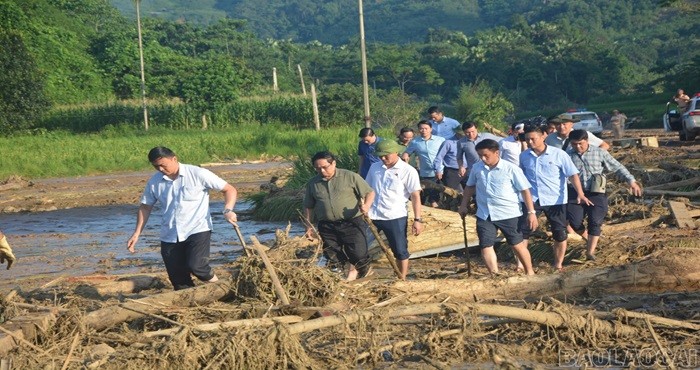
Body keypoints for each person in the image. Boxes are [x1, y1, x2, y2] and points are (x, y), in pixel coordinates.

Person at [127, 147, 238, 290]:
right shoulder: (154, 182)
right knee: (178, 278)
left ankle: (225, 289)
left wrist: (228, 210)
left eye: (163, 165)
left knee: (197, 266)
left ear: (174, 159)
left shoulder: (198, 173)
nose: (160, 169)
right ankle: (189, 304)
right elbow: (145, 207)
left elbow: (229, 189)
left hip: (197, 228)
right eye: (156, 166)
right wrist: (136, 234)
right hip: (170, 234)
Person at [458, 139, 538, 276]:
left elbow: (525, 190)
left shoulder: (511, 168)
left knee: (516, 244)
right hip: (485, 213)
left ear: (497, 153)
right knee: (486, 244)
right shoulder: (477, 168)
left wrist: (531, 212)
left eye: (486, 155)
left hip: (508, 213)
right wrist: (463, 205)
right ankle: (494, 275)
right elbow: (470, 187)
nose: (483, 159)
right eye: (480, 156)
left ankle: (529, 272)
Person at [519, 126, 591, 272]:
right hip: (532, 198)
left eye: (533, 138)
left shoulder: (559, 154)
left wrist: (580, 193)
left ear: (543, 137)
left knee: (559, 232)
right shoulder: (524, 156)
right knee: (523, 230)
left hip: (555, 200)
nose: (530, 142)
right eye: (527, 139)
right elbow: (521, 177)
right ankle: (520, 264)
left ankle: (558, 264)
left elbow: (572, 174)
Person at [567, 130, 642, 260]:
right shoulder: (567, 156)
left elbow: (618, 167)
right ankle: (589, 239)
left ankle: (590, 252)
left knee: (595, 221)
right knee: (575, 222)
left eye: (580, 144)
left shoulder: (599, 152)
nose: (578, 147)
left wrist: (632, 181)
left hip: (596, 191)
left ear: (587, 141)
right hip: (575, 192)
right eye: (574, 144)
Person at [304, 151, 375, 281]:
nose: (322, 170)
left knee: (358, 255)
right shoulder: (313, 183)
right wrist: (308, 226)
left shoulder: (350, 177)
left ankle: (363, 274)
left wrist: (367, 206)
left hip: (352, 223)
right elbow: (308, 205)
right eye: (318, 168)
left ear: (334, 163)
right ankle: (339, 280)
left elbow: (369, 192)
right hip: (327, 225)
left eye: (325, 167)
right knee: (332, 256)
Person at [366, 140, 423, 280]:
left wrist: (417, 219)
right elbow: (367, 189)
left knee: (400, 250)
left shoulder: (408, 171)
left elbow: (415, 196)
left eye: (386, 156)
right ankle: (357, 275)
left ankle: (401, 278)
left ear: (396, 152)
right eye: (380, 156)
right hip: (372, 215)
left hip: (395, 216)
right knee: (359, 246)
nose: (383, 159)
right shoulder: (374, 168)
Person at [402, 120, 445, 207]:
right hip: (426, 172)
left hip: (442, 171)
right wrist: (405, 155)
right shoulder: (415, 142)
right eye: (421, 128)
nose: (424, 130)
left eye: (426, 128)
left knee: (441, 194)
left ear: (431, 129)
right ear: (418, 130)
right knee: (428, 195)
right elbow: (407, 152)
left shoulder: (440, 140)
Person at [545, 113, 610, 152]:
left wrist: (594, 156)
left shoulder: (582, 134)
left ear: (571, 124)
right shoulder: (550, 138)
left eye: (564, 124)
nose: (561, 127)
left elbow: (604, 145)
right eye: (558, 124)